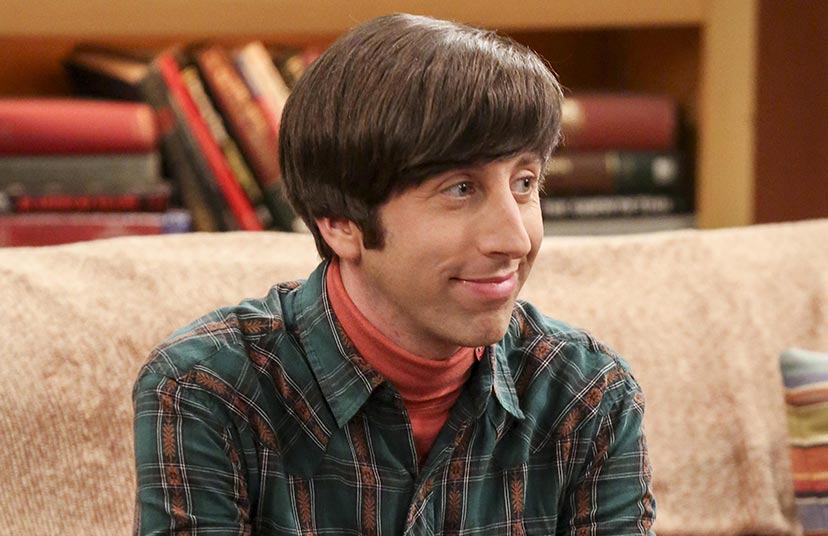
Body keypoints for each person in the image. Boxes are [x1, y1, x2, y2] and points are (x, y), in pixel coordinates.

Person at [133, 13, 656, 535]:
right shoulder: (206, 391)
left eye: (524, 183)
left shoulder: (589, 394)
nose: (515, 240)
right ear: (339, 222)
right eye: (461, 189)